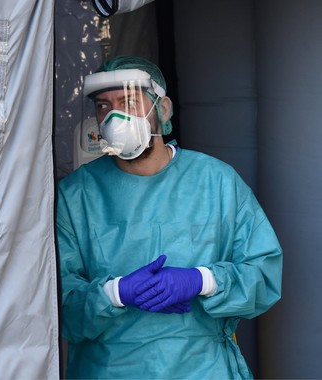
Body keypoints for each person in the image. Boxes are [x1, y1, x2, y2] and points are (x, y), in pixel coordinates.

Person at [56, 55, 282, 379]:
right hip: (110, 370)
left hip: (203, 368)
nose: (114, 117)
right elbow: (54, 305)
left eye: (128, 102)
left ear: (161, 109)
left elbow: (264, 275)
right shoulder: (76, 196)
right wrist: (115, 293)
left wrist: (202, 281)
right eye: (104, 106)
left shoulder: (215, 182)